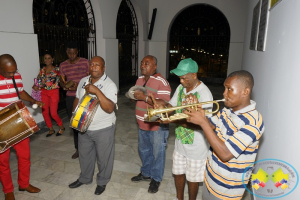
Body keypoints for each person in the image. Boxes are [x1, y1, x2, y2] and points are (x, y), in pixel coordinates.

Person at [184, 70, 265, 200]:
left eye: (229, 89)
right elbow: (211, 126)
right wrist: (197, 111)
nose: (224, 93)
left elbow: (225, 154)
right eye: (224, 88)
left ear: (245, 92)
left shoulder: (253, 122)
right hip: (210, 179)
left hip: (227, 191)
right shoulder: (227, 110)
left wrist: (203, 122)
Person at [154, 58, 213, 200]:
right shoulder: (182, 88)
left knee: (192, 179)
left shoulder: (204, 94)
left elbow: (203, 124)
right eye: (179, 78)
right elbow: (172, 105)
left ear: (194, 75)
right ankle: (179, 198)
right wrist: (163, 108)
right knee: (178, 172)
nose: (181, 81)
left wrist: (173, 119)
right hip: (180, 142)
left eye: (184, 78)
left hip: (196, 147)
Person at [68, 56, 117, 196]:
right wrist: (74, 115)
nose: (94, 67)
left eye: (97, 65)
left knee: (104, 158)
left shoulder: (110, 84)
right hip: (84, 126)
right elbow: (78, 98)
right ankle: (85, 178)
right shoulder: (83, 81)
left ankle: (102, 181)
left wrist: (97, 91)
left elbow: (109, 108)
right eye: (92, 64)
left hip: (103, 127)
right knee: (85, 155)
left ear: (103, 68)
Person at [0, 54, 44, 200]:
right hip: (1, 126)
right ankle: (8, 191)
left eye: (14, 71)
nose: (12, 74)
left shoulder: (16, 76)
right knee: (3, 161)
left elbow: (20, 91)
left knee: (24, 156)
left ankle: (24, 184)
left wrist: (33, 100)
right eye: (8, 72)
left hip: (19, 123)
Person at [131, 55, 171, 193]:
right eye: (142, 63)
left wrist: (145, 98)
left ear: (154, 66)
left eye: (147, 63)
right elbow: (138, 98)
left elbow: (164, 104)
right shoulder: (140, 79)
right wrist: (134, 97)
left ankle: (156, 178)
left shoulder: (162, 81)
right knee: (144, 150)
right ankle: (146, 173)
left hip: (157, 125)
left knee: (157, 152)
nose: (143, 65)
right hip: (142, 123)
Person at [59, 41, 89, 159]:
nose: (72, 55)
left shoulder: (85, 62)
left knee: (87, 121)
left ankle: (89, 147)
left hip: (84, 95)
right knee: (75, 123)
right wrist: (64, 86)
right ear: (67, 52)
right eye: (69, 53)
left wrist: (80, 86)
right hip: (71, 96)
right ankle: (78, 148)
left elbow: (90, 78)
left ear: (77, 52)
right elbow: (62, 80)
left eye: (74, 53)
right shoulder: (63, 65)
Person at [33, 53, 65, 137]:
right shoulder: (42, 70)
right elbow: (38, 82)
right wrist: (36, 86)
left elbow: (62, 80)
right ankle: (51, 129)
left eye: (49, 58)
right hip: (44, 92)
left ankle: (61, 127)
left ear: (52, 59)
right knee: (45, 112)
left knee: (53, 113)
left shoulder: (57, 70)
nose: (47, 60)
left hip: (54, 92)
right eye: (45, 58)